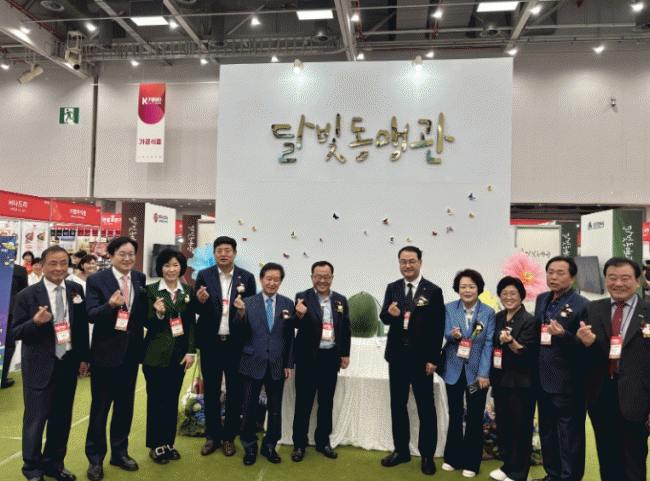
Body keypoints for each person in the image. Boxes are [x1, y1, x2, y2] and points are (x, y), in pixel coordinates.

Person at [12, 245, 90, 481]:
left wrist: (84, 357)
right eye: (53, 263)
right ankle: (32, 468)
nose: (59, 268)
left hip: (68, 363)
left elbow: (80, 326)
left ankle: (55, 464)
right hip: (39, 366)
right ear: (42, 266)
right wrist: (35, 322)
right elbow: (16, 331)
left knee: (62, 419)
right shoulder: (27, 295)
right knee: (35, 420)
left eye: (63, 263)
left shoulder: (76, 290)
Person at [577, 257, 650, 481]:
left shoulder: (648, 310)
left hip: (638, 397)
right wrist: (583, 344)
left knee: (634, 461)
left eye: (625, 278)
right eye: (612, 278)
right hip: (601, 395)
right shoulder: (593, 309)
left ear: (638, 281)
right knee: (607, 459)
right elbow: (583, 359)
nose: (618, 283)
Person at [379, 246, 445, 476]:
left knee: (426, 407)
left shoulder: (433, 291)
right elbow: (384, 317)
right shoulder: (393, 288)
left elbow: (438, 327)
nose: (407, 265)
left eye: (412, 261)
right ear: (399, 263)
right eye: (403, 261)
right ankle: (401, 451)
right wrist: (390, 314)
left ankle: (427, 456)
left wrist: (433, 359)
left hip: (421, 359)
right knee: (398, 405)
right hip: (397, 357)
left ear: (420, 263)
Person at [85, 237, 147, 481]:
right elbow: (91, 314)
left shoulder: (140, 278)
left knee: (125, 406)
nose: (127, 258)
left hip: (131, 353)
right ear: (111, 256)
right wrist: (110, 305)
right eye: (122, 254)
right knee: (100, 408)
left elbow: (139, 315)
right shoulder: (96, 280)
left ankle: (120, 453)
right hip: (105, 354)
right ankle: (95, 459)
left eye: (131, 254)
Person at [194, 236, 256, 457]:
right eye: (219, 250)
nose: (223, 254)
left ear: (234, 253)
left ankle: (229, 437)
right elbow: (197, 309)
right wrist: (199, 301)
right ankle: (212, 436)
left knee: (235, 392)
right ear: (214, 254)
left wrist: (243, 311)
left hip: (235, 344)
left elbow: (252, 311)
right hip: (210, 343)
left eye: (227, 250)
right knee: (211, 391)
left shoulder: (246, 278)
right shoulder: (204, 275)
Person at [532, 256, 588, 481]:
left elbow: (586, 345)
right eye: (550, 272)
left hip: (568, 383)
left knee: (569, 435)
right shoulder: (541, 299)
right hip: (542, 379)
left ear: (572, 277)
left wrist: (564, 334)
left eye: (560, 273)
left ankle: (569, 478)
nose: (553, 277)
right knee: (547, 432)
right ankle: (552, 475)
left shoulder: (583, 304)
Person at [234, 262, 294, 466]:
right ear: (261, 279)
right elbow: (238, 332)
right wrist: (240, 314)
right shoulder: (247, 302)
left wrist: (288, 363)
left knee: (275, 410)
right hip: (252, 362)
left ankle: (270, 446)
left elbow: (289, 337)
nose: (272, 283)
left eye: (276, 279)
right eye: (268, 278)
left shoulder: (287, 304)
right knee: (249, 408)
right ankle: (249, 447)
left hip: (277, 364)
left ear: (281, 281)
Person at [291, 261, 351, 462]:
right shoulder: (302, 297)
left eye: (326, 277)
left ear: (332, 278)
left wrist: (345, 353)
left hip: (330, 358)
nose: (322, 280)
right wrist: (299, 315)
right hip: (307, 358)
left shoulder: (340, 300)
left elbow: (345, 328)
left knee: (326, 403)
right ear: (312, 277)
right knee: (303, 403)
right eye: (318, 276)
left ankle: (323, 442)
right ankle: (299, 444)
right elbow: (294, 324)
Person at [439, 269, 495, 478]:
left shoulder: (488, 312)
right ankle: (452, 458)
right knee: (454, 414)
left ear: (479, 288)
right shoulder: (448, 308)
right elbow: (444, 331)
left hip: (477, 374)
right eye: (463, 287)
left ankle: (472, 462)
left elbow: (488, 344)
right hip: (453, 370)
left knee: (474, 416)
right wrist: (452, 335)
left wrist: (484, 373)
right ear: (457, 289)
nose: (467, 290)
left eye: (471, 286)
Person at [141, 249, 196, 465]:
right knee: (156, 401)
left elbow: (190, 324)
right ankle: (156, 445)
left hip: (179, 356)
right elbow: (146, 322)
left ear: (181, 268)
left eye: (175, 265)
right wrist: (158, 313)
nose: (171, 269)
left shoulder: (187, 290)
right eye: (166, 265)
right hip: (155, 356)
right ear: (160, 268)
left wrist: (191, 351)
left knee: (172, 401)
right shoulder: (151, 290)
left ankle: (168, 443)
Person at [489, 276, 539, 481]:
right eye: (504, 294)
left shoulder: (530, 320)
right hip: (500, 380)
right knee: (503, 427)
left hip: (521, 383)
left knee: (520, 429)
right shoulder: (498, 317)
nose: (508, 297)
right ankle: (507, 465)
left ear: (522, 296)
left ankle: (519, 473)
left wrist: (510, 341)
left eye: (513, 294)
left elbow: (525, 352)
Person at [1, 262, 28, 389]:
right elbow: (22, 291)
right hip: (9, 311)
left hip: (9, 311)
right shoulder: (19, 270)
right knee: (8, 345)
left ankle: (3, 377)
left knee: (8, 345)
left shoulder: (19, 270)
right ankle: (2, 378)